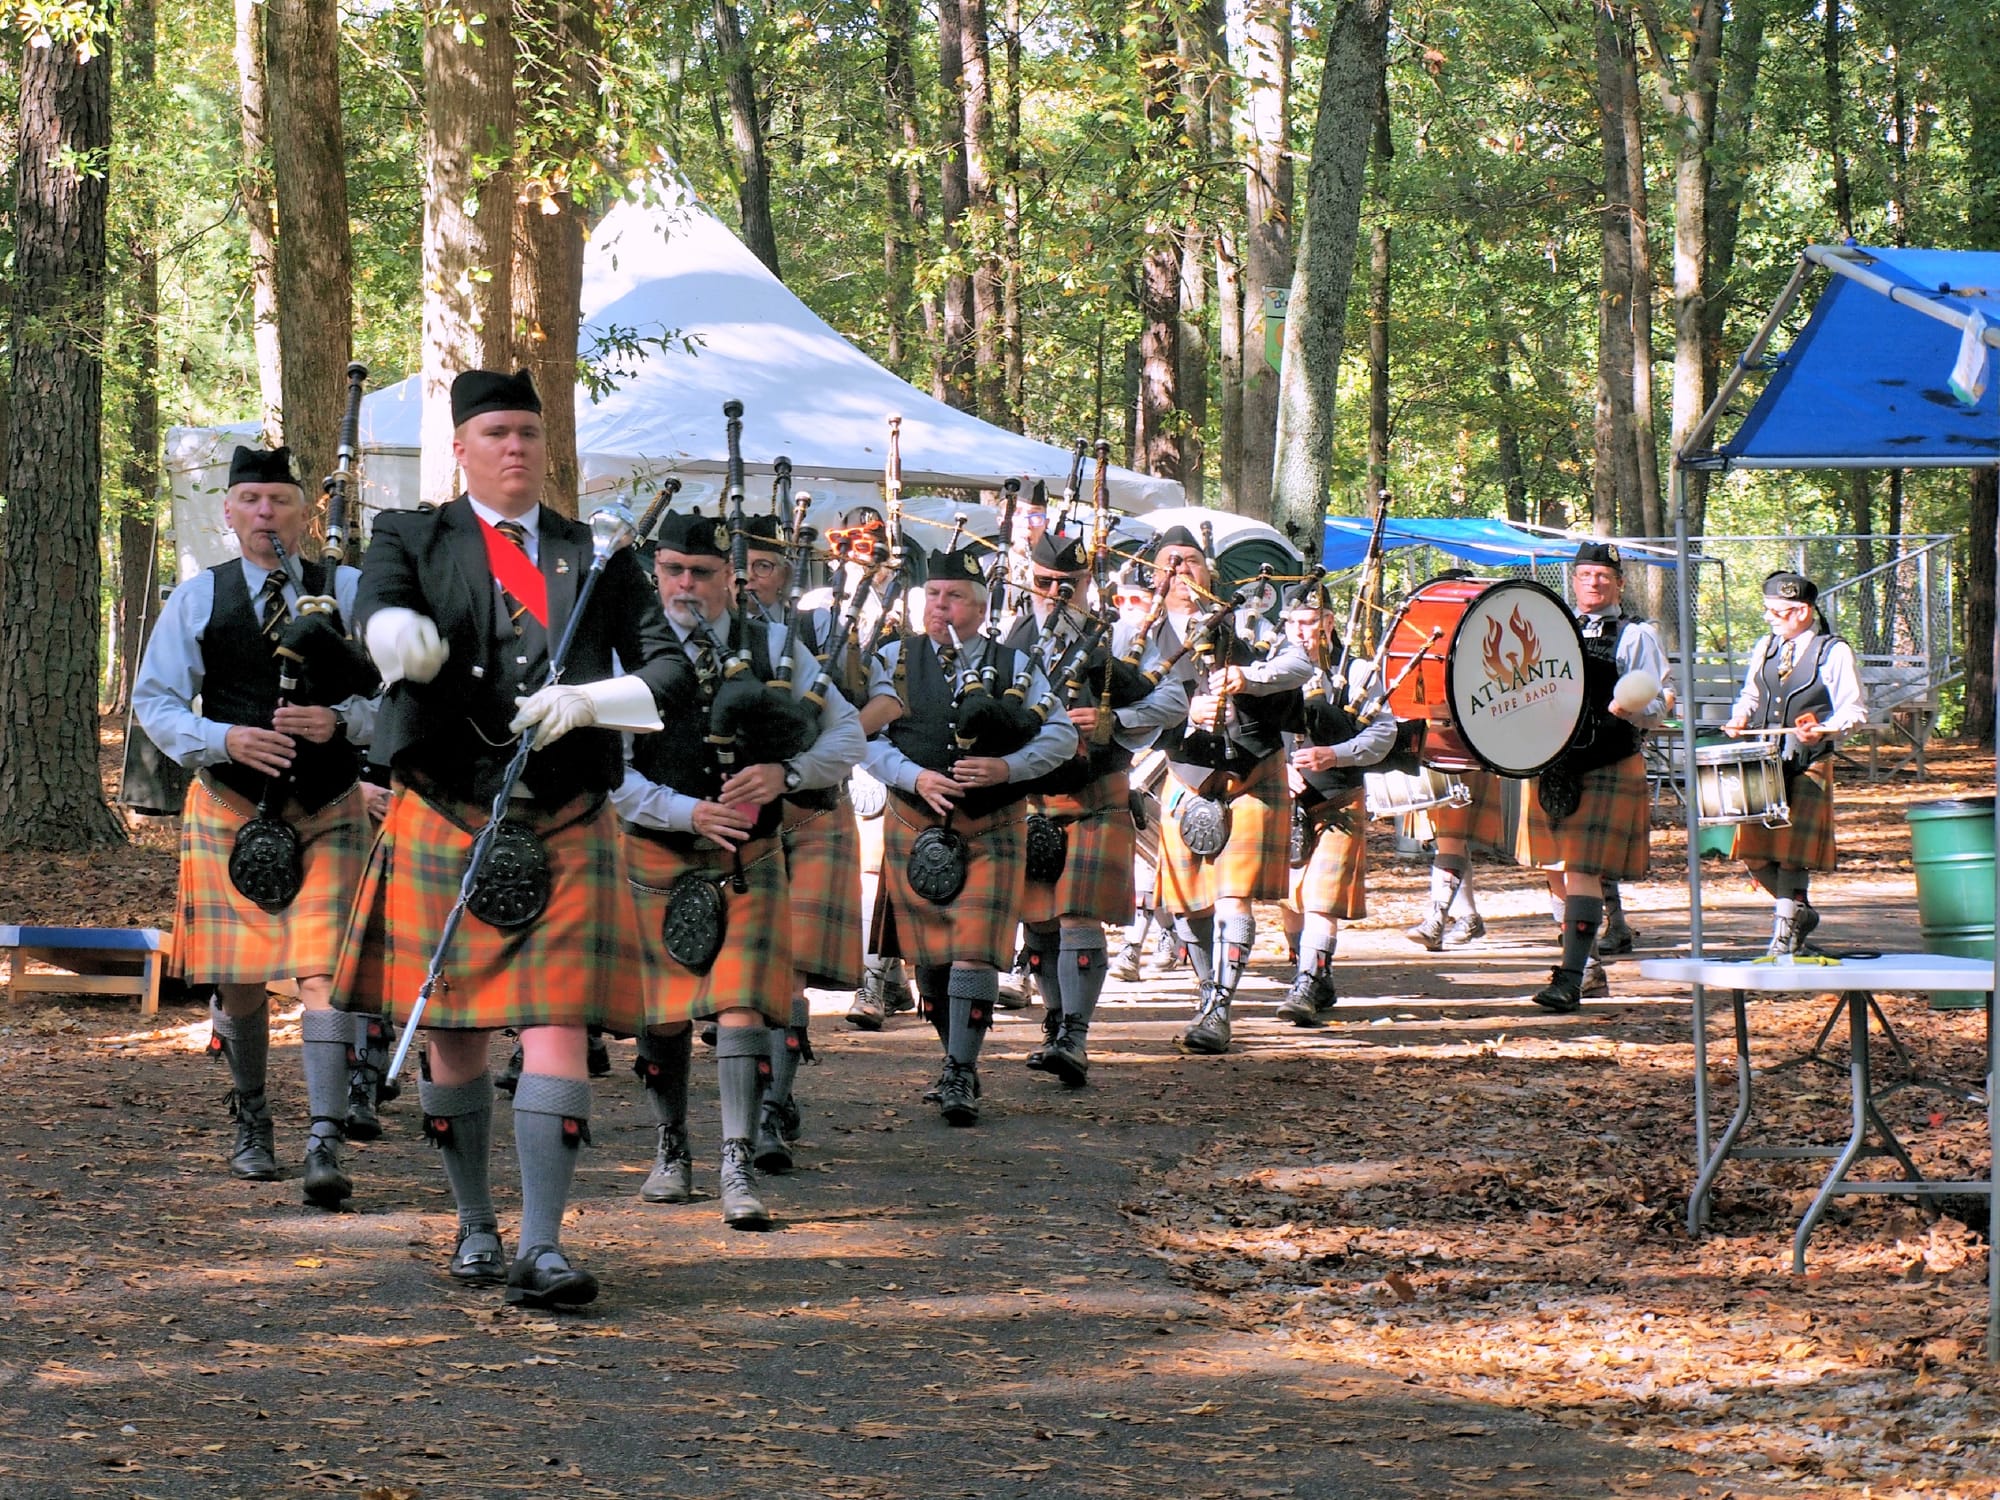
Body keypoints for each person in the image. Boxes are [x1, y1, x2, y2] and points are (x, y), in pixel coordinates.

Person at [333, 368, 687, 1310]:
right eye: (495, 433)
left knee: (556, 1026)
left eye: (529, 433)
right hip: (449, 808)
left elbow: (667, 667)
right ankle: (475, 1224)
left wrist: (594, 699)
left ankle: (545, 1246)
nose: (515, 448)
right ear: (461, 447)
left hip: (564, 814)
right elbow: (376, 605)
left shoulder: (594, 551)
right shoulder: (411, 534)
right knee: (452, 1040)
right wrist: (394, 633)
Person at [134, 444, 382, 1207]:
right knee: (239, 982)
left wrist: (338, 722)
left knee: (324, 980)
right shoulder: (198, 597)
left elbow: (397, 700)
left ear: (305, 514)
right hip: (232, 809)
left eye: (279, 500)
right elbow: (157, 699)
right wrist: (225, 739)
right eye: (251, 500)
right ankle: (252, 1117)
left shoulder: (351, 590)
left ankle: (324, 1138)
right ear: (229, 512)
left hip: (329, 806)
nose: (265, 514)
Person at [618, 512, 863, 1226]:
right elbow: (612, 771)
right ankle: (672, 1147)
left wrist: (786, 774)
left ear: (731, 577)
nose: (685, 585)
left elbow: (845, 734)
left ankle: (738, 1158)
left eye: (700, 572)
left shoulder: (777, 645)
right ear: (656, 573)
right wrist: (684, 812)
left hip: (748, 855)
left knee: (743, 1005)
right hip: (655, 849)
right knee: (661, 1016)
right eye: (672, 571)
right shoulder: (629, 651)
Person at [860, 542, 1078, 1123]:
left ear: (980, 608)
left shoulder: (1017, 666)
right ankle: (954, 1055)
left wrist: (1008, 768)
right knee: (929, 965)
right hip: (914, 820)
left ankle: (960, 1069)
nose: (940, 606)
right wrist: (913, 776)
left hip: (992, 825)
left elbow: (1060, 736)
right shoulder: (890, 659)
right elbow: (863, 739)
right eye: (932, 594)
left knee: (973, 954)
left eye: (954, 596)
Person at [1004, 531, 1186, 1085]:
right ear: (1028, 579)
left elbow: (1175, 698)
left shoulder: (1125, 631)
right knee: (1038, 919)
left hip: (1096, 792)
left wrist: (1116, 722)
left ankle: (1075, 1037)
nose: (1056, 593)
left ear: (1088, 584)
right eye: (1045, 583)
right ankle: (1055, 1024)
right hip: (1030, 793)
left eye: (1069, 584)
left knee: (1078, 913)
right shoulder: (1008, 636)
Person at [1152, 529, 1313, 1055]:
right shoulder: (1139, 635)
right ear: (1154, 574)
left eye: (1192, 561)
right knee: (1189, 905)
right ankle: (1205, 990)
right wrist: (1185, 712)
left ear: (1210, 571)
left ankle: (1220, 1006)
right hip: (1186, 776)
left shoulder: (1248, 622)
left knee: (1232, 896)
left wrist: (1247, 675)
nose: (1181, 571)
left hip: (1252, 773)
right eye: (1169, 563)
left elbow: (1299, 665)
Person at [736, 512, 861, 1167]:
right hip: (737, 820)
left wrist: (808, 737)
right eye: (743, 565)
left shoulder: (820, 631)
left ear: (786, 574)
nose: (750, 578)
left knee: (785, 976)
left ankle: (774, 1109)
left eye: (763, 566)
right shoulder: (716, 636)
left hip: (810, 810)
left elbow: (880, 708)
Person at [1514, 541, 1667, 1012]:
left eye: (1603, 576)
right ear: (1573, 581)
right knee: (1554, 869)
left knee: (1581, 870)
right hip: (1551, 761)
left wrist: (1632, 708)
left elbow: (1658, 704)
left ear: (1619, 583)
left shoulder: (1636, 636)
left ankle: (1571, 978)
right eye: (1585, 575)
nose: (1593, 583)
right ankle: (1591, 966)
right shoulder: (1552, 629)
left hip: (1606, 760)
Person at [1724, 570, 1867, 955]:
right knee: (1752, 854)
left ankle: (1784, 937)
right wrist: (1741, 717)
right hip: (1764, 762)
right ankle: (1800, 912)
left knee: (1791, 856)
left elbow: (1854, 712)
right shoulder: (1766, 647)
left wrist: (1824, 729)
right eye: (1768, 610)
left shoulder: (1833, 650)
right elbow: (1751, 695)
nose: (1770, 618)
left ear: (1803, 611)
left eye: (1778, 612)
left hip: (1808, 763)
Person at [1275, 579, 1397, 1026]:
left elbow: (1383, 733)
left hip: (1338, 797)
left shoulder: (1360, 671)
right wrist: (1277, 769)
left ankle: (1308, 980)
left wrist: (1335, 754)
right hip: (1286, 800)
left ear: (1328, 622)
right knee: (1291, 898)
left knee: (1321, 897)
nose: (1301, 632)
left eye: (1310, 622)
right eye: (1293, 623)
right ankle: (1310, 972)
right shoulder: (1275, 672)